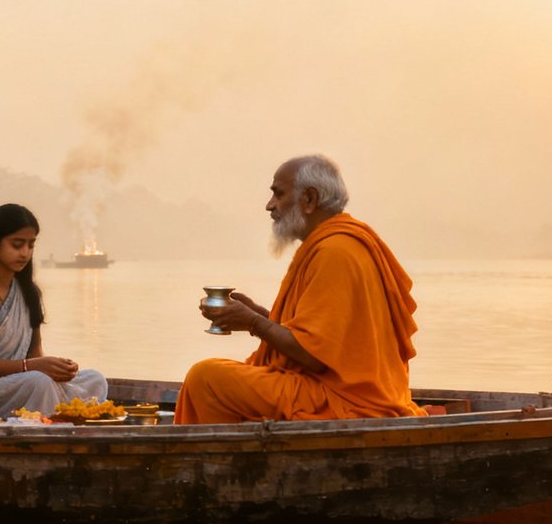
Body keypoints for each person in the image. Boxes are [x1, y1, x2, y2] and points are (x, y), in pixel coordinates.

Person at [176, 154, 424, 424]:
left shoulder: (336, 251)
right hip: (335, 388)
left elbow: (315, 357)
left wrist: (254, 322)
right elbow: (327, 338)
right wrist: (259, 315)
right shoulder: (334, 244)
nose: (270, 206)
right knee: (218, 371)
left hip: (343, 398)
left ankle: (223, 461)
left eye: (278, 194)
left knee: (206, 378)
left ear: (309, 199)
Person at [0, 204, 107, 417]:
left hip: (19, 379)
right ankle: (46, 424)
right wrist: (35, 367)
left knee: (95, 379)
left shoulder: (29, 292)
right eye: (17, 245)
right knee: (38, 382)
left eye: (31, 245)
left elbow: (34, 355)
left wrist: (58, 369)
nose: (25, 253)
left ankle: (54, 418)